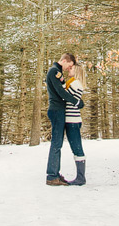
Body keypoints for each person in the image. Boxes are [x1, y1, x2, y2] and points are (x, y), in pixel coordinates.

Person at [45, 53, 83, 186]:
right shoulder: (54, 71)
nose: (69, 68)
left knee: (58, 143)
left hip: (59, 111)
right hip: (56, 111)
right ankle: (51, 176)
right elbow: (61, 93)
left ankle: (54, 173)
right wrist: (76, 102)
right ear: (65, 61)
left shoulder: (57, 72)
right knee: (56, 143)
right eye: (70, 65)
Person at [64, 64, 87, 185]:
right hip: (71, 119)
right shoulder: (73, 83)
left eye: (71, 68)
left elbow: (65, 96)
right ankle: (80, 177)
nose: (69, 69)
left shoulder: (76, 83)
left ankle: (81, 177)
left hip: (72, 120)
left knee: (77, 147)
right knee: (75, 147)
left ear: (77, 71)